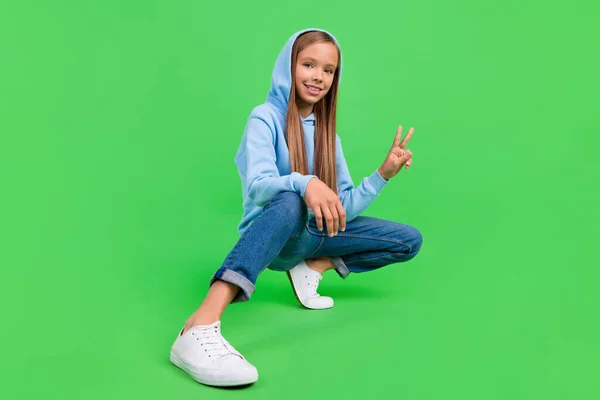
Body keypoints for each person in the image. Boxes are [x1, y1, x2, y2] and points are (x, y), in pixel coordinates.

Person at [170, 28, 423, 387]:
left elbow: (343, 207)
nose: (318, 76)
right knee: (291, 200)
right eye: (308, 64)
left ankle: (313, 267)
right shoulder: (264, 117)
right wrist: (306, 182)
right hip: (276, 236)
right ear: (288, 66)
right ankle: (199, 326)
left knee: (408, 240)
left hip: (315, 236)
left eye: (329, 70)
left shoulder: (326, 134)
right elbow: (259, 187)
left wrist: (382, 175)